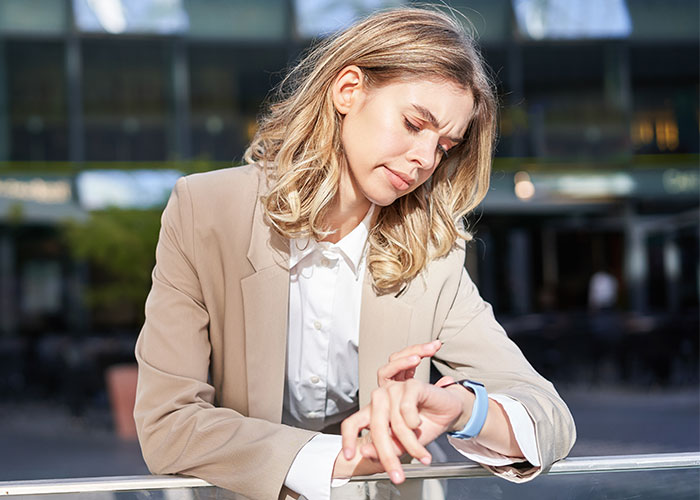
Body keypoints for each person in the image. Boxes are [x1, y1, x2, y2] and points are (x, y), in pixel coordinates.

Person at [133, 7, 576, 500]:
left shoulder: (430, 251)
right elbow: (168, 422)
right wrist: (341, 462)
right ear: (349, 90)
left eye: (444, 147)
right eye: (413, 124)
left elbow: (550, 417)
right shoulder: (207, 211)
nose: (426, 160)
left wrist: (462, 410)